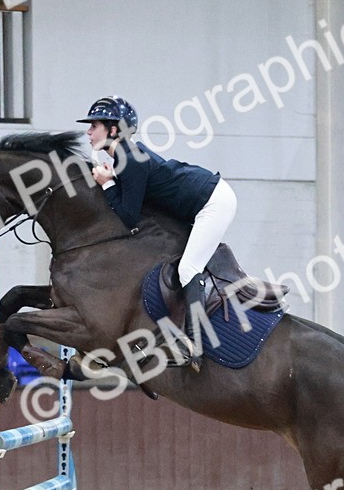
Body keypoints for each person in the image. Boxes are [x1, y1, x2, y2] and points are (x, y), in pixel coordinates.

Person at [78, 95, 236, 370]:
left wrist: (106, 185)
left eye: (95, 125)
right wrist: (112, 181)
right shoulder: (124, 157)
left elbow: (129, 217)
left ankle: (194, 347)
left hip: (213, 201)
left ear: (114, 129)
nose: (89, 132)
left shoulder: (129, 159)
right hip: (202, 199)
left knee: (188, 269)